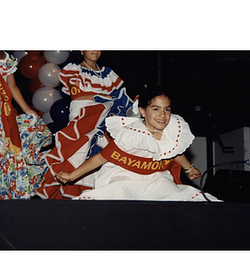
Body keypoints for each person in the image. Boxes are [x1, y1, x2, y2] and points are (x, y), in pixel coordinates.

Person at [55, 85, 220, 202]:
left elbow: (175, 152)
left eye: (167, 109)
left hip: (155, 178)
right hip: (125, 176)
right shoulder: (131, 134)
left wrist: (189, 168)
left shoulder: (172, 129)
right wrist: (71, 176)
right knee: (120, 194)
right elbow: (100, 158)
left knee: (179, 196)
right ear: (142, 111)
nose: (162, 115)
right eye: (155, 109)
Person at [37, 51, 137, 199]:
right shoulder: (74, 70)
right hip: (83, 120)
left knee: (102, 157)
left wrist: (111, 102)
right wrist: (106, 98)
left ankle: (94, 196)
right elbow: (77, 97)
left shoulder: (109, 74)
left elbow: (115, 101)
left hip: (105, 122)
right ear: (82, 50)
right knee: (78, 155)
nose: (95, 50)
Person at [0, 51, 52, 199]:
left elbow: (12, 87)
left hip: (5, 115)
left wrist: (28, 110)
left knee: (9, 153)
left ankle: (8, 194)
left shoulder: (6, 59)